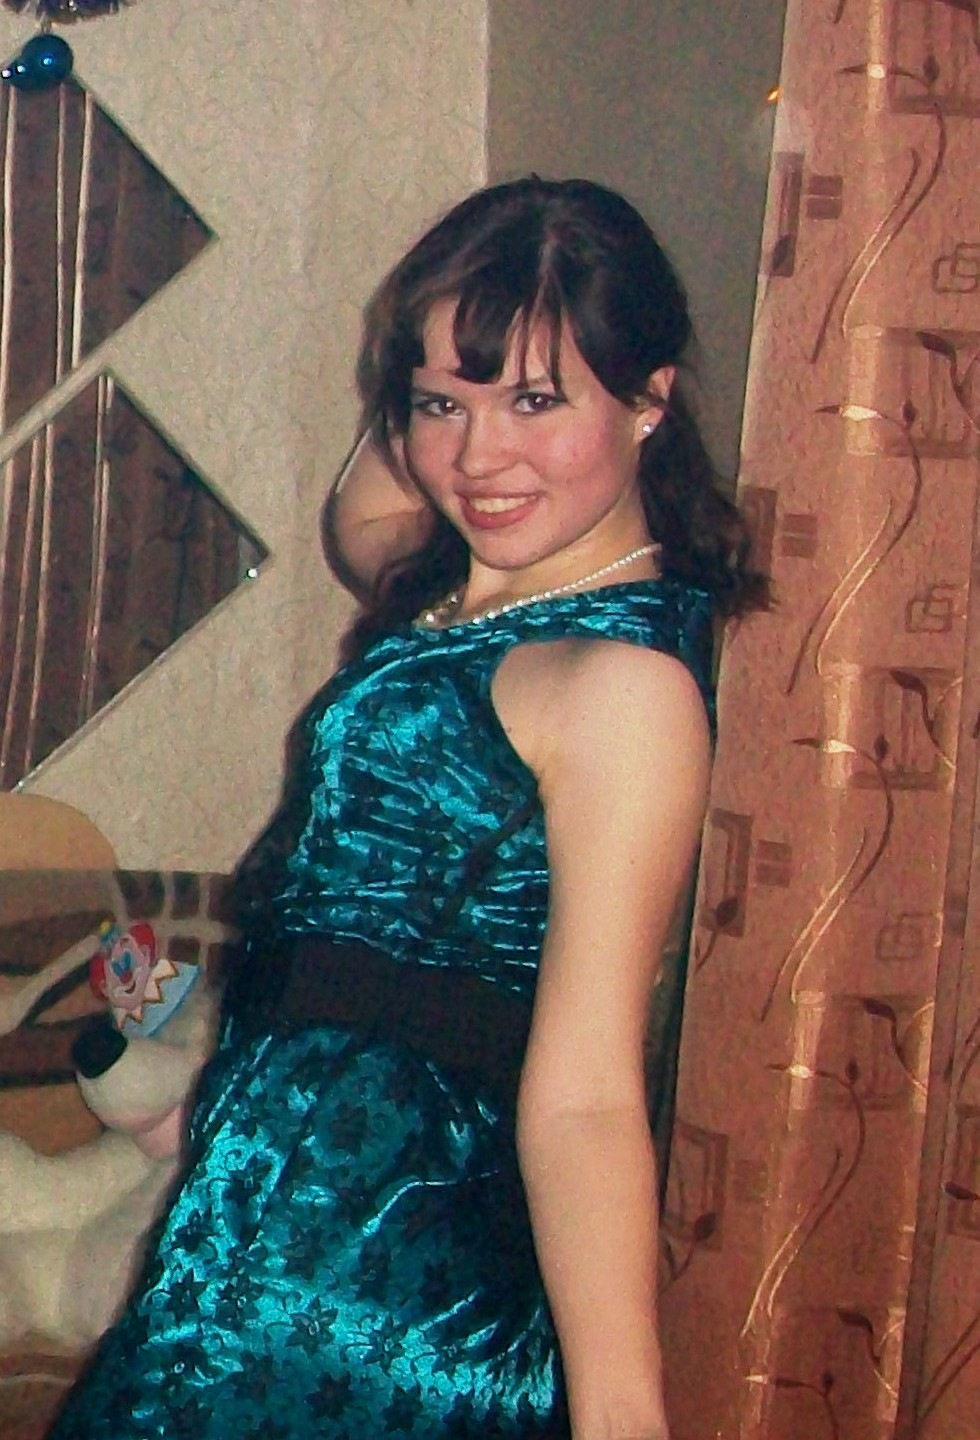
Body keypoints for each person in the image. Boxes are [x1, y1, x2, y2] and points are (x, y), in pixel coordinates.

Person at [48, 176, 766, 1440]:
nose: (476, 460)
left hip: (384, 1294)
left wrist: (623, 1416)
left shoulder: (623, 685)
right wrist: (452, 341)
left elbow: (589, 1093)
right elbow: (363, 506)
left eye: (536, 400)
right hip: (254, 1226)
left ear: (650, 398)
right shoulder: (460, 588)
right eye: (441, 405)